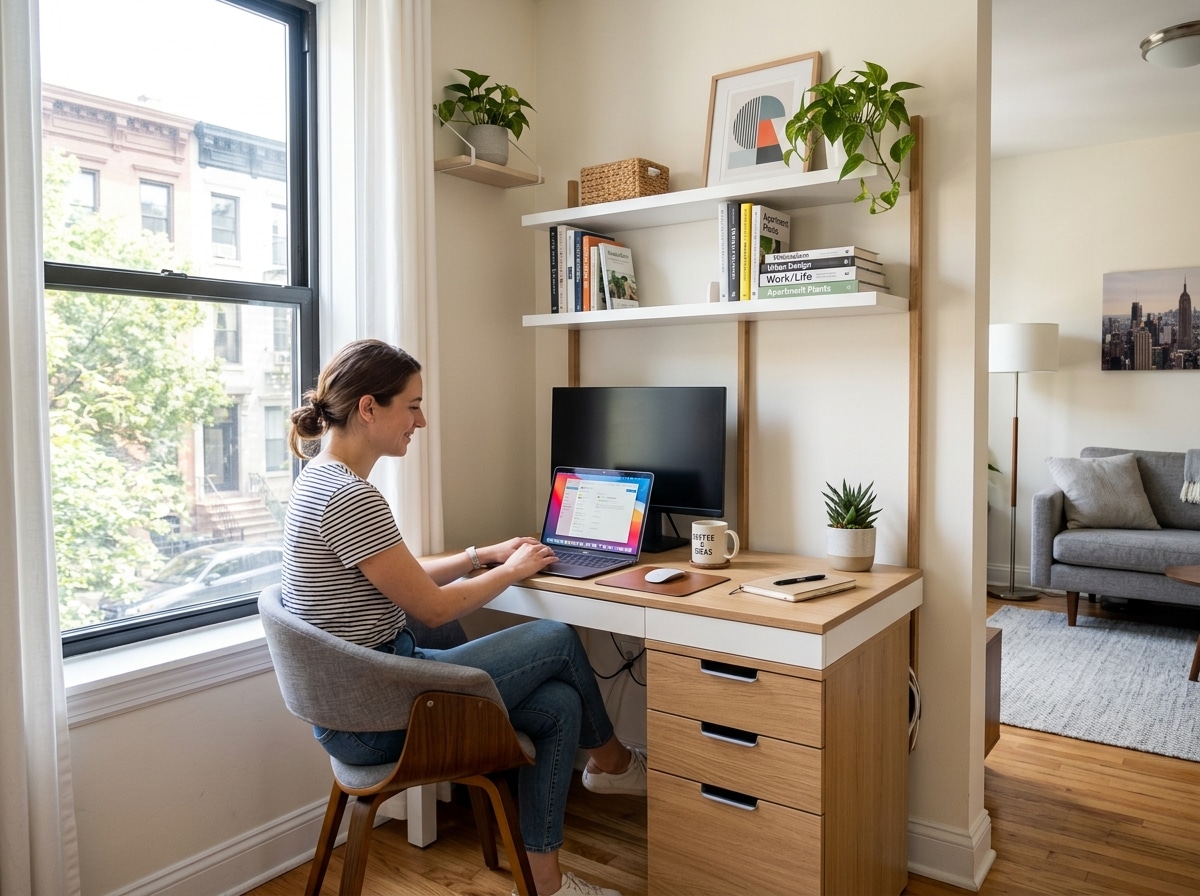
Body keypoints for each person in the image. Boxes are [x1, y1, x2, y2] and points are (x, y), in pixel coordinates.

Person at [282, 339, 645, 896]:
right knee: (555, 638)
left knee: (558, 704)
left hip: (358, 706)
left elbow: (396, 569)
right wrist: (514, 569)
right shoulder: (348, 496)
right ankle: (617, 764)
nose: (420, 421)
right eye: (412, 405)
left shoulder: (319, 480)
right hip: (385, 717)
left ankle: (546, 884)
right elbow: (430, 606)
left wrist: (483, 555)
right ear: (368, 408)